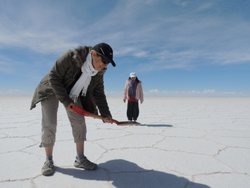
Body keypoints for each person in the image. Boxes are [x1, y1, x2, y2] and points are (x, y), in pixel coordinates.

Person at [30, 42, 116, 176]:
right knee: (50, 123)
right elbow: (54, 76)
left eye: (108, 63)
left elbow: (98, 92)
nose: (105, 65)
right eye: (104, 60)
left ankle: (80, 159)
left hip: (73, 91)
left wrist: (105, 113)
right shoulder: (71, 56)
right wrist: (65, 101)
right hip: (51, 88)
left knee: (79, 122)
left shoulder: (99, 72)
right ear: (93, 54)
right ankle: (48, 160)